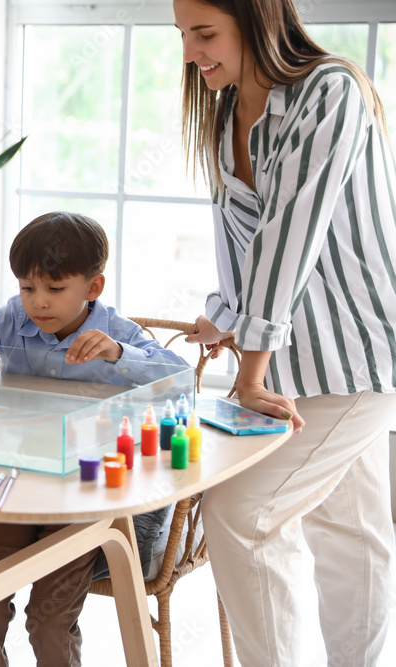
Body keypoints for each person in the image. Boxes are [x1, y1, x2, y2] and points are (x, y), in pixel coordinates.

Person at [174, 0, 396, 664]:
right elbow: (243, 240)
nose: (191, 51)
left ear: (258, 20)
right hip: (295, 367)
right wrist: (229, 314)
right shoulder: (225, 116)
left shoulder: (330, 93)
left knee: (242, 515)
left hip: (360, 356)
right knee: (351, 532)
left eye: (205, 33)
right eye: (183, 35)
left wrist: (250, 370)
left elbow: (289, 237)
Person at [0, 212, 189, 665]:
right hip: (14, 485)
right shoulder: (13, 319)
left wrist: (118, 354)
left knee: (48, 620)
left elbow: (179, 379)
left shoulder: (118, 332)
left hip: (83, 495)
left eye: (54, 289)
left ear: (93, 288)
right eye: (28, 288)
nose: (38, 303)